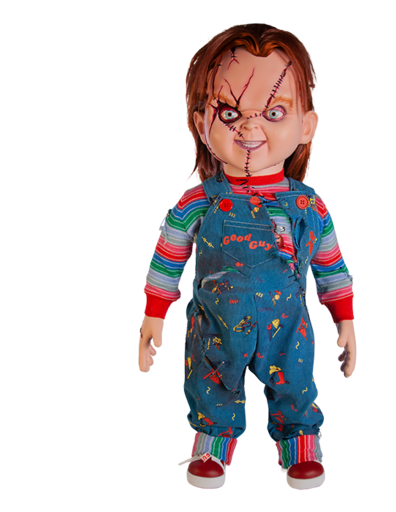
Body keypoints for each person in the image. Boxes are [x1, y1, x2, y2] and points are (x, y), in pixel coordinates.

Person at [137, 22, 357, 491]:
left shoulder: (312, 206)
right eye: (230, 112)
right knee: (211, 385)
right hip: (215, 325)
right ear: (201, 121)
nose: (250, 128)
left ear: (307, 124)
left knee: (296, 383)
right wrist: (154, 315)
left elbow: (332, 266)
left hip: (289, 326)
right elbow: (167, 258)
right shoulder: (197, 203)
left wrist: (346, 319)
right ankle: (211, 448)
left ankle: (301, 447)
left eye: (274, 111)